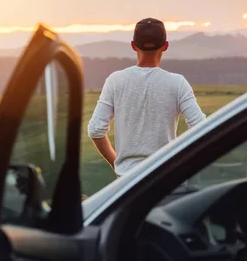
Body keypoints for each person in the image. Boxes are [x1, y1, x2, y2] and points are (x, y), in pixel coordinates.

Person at [87, 18, 206, 177]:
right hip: (166, 176)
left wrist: (118, 164)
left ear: (133, 45)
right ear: (165, 46)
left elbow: (95, 130)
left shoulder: (115, 81)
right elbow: (201, 127)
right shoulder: (177, 83)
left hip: (127, 181)